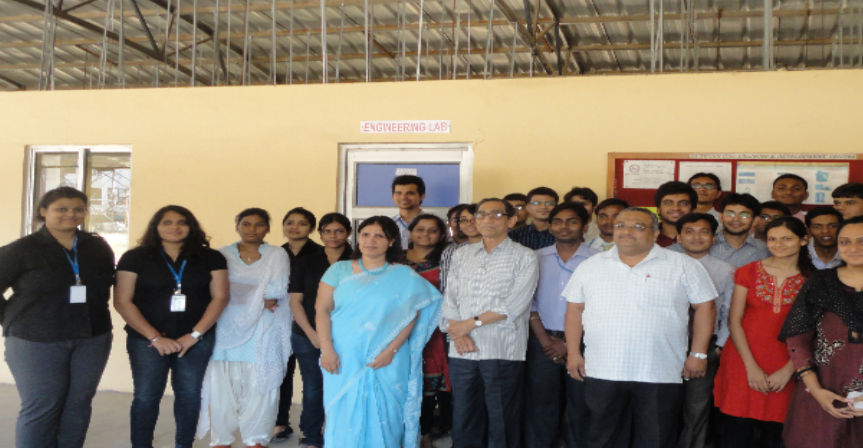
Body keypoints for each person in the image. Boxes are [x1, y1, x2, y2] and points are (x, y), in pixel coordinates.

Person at [562, 207, 717, 448]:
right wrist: (573, 353)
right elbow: (574, 310)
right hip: (604, 368)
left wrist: (698, 354)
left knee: (656, 438)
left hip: (660, 370)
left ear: (655, 234)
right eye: (621, 225)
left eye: (638, 226)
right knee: (603, 438)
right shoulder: (591, 265)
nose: (627, 231)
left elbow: (705, 307)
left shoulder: (682, 264)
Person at [0, 187, 115, 448]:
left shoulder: (96, 246)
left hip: (91, 338)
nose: (70, 214)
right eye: (61, 209)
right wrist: (12, 319)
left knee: (78, 404)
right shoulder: (22, 249)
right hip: (36, 340)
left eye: (78, 209)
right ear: (43, 211)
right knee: (42, 406)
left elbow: (106, 282)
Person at [316, 216, 442, 447]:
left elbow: (413, 314)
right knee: (342, 413)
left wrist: (391, 351)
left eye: (379, 236)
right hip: (343, 354)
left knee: (387, 415)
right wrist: (327, 349)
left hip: (389, 357)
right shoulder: (338, 270)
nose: (370, 240)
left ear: (391, 241)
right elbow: (322, 310)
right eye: (365, 235)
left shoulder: (403, 275)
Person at [114, 205, 229, 448]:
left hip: (196, 340)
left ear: (191, 227)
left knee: (189, 395)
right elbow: (122, 301)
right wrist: (155, 338)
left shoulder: (211, 257)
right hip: (147, 341)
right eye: (167, 222)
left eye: (182, 222)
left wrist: (194, 335)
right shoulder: (135, 257)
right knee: (146, 396)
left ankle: (184, 444)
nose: (175, 227)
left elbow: (220, 297)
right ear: (156, 227)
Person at [442, 198, 539, 448]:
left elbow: (514, 305)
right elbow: (450, 297)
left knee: (502, 419)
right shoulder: (462, 254)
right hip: (462, 350)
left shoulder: (525, 256)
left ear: (511, 220)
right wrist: (459, 332)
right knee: (464, 417)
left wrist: (469, 325)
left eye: (496, 214)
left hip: (502, 349)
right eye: (481, 214)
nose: (487, 219)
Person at [713, 217, 814, 448]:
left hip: (789, 363)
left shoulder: (813, 279)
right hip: (743, 359)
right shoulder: (748, 271)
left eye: (787, 238)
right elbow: (734, 321)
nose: (779, 244)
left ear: (803, 240)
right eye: (772, 239)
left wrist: (790, 370)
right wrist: (751, 367)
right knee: (735, 432)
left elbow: (815, 331)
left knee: (777, 434)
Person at [198, 208, 292, 448]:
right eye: (246, 224)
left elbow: (276, 291)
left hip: (263, 330)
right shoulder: (222, 254)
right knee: (222, 390)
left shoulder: (277, 254)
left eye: (259, 224)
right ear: (237, 226)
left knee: (261, 388)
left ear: (267, 228)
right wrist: (254, 297)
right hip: (225, 330)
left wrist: (236, 294)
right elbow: (216, 291)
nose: (252, 229)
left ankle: (256, 440)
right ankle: (222, 440)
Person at [779, 216, 863, 447]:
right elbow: (797, 339)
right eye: (845, 242)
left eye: (861, 241)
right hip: (824, 391)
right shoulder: (821, 282)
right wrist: (815, 390)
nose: (853, 248)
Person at [524, 203, 596, 448]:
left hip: (585, 343)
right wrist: (546, 340)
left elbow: (599, 306)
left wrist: (568, 343)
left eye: (572, 221)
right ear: (550, 226)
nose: (564, 227)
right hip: (541, 341)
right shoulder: (535, 258)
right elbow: (528, 302)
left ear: (584, 226)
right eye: (558, 221)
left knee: (581, 405)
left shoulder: (598, 260)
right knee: (541, 404)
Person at [288, 212, 353, 448]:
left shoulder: (358, 260)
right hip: (307, 334)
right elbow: (295, 301)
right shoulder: (306, 261)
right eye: (327, 231)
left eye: (339, 231)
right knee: (314, 386)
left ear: (348, 233)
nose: (333, 236)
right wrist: (312, 334)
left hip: (347, 335)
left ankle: (341, 433)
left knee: (345, 385)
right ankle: (311, 434)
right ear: (320, 233)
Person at [674, 213, 736, 448]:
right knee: (663, 403)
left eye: (704, 232)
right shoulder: (666, 265)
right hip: (667, 342)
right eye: (689, 231)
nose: (696, 237)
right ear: (678, 237)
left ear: (713, 238)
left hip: (705, 344)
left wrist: (719, 346)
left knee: (697, 406)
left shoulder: (727, 270)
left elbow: (729, 311)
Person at [404, 214, 451, 448]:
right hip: (402, 330)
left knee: (429, 384)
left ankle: (425, 433)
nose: (425, 234)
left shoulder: (447, 260)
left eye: (432, 230)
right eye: (420, 229)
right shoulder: (396, 259)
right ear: (411, 232)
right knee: (403, 380)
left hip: (435, 331)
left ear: (441, 235)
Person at [273, 206, 319, 441]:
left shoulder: (320, 254)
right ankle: (280, 422)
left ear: (311, 228)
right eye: (290, 222)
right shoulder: (275, 254)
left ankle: (310, 427)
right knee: (280, 375)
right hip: (277, 321)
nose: (295, 227)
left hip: (307, 323)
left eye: (302, 223)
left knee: (312, 380)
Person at [710, 193, 769, 268]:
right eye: (730, 214)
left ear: (755, 220)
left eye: (744, 215)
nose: (736, 219)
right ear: (721, 217)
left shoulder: (764, 249)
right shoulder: (707, 244)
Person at [440, 204, 482, 293]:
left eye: (475, 219)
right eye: (463, 220)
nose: (469, 223)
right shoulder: (453, 251)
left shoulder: (496, 247)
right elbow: (447, 286)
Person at [654, 181, 697, 247]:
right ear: (658, 209)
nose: (676, 208)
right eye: (668, 203)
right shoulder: (645, 236)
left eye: (683, 203)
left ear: (693, 209)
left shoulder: (705, 238)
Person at [392, 174, 427, 248]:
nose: (403, 197)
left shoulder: (435, 224)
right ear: (393, 196)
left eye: (410, 193)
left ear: (422, 196)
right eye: (398, 193)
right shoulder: (387, 224)